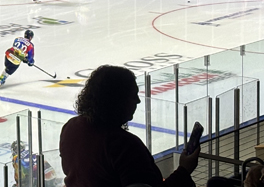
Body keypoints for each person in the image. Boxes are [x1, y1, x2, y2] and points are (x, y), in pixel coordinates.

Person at [59, 65, 200, 186]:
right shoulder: (123, 145)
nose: (138, 101)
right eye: (133, 96)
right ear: (117, 101)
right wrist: (184, 170)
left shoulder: (71, 128)